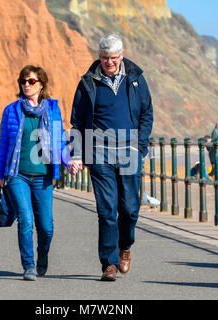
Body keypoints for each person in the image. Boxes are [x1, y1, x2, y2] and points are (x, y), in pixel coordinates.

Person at [69, 34, 153, 281]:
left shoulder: (135, 79)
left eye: (113, 58)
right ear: (99, 56)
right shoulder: (88, 83)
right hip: (99, 152)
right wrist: (77, 153)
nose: (109, 62)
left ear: (121, 56)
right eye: (104, 58)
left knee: (129, 210)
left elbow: (147, 113)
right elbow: (77, 121)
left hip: (129, 150)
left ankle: (125, 246)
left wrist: (140, 146)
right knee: (107, 210)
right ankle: (109, 264)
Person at [0, 65, 68, 281]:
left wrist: (68, 161)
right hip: (18, 174)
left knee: (46, 227)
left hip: (43, 176)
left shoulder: (52, 109)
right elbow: (4, 145)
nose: (26, 85)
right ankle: (29, 265)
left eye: (31, 81)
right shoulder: (12, 110)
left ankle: (42, 254)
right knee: (25, 219)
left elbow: (59, 140)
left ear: (41, 84)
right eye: (23, 81)